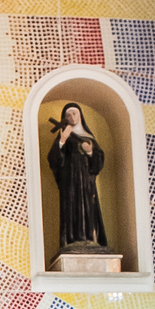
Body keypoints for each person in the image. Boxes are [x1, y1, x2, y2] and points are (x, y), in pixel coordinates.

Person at [47, 102, 107, 251]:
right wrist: (62, 140)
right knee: (71, 207)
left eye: (74, 114)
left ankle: (90, 238)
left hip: (86, 180)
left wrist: (90, 152)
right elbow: (53, 158)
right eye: (68, 115)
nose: (71, 117)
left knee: (88, 206)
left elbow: (98, 161)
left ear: (80, 115)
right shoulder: (65, 135)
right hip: (70, 180)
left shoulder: (88, 136)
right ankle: (72, 240)